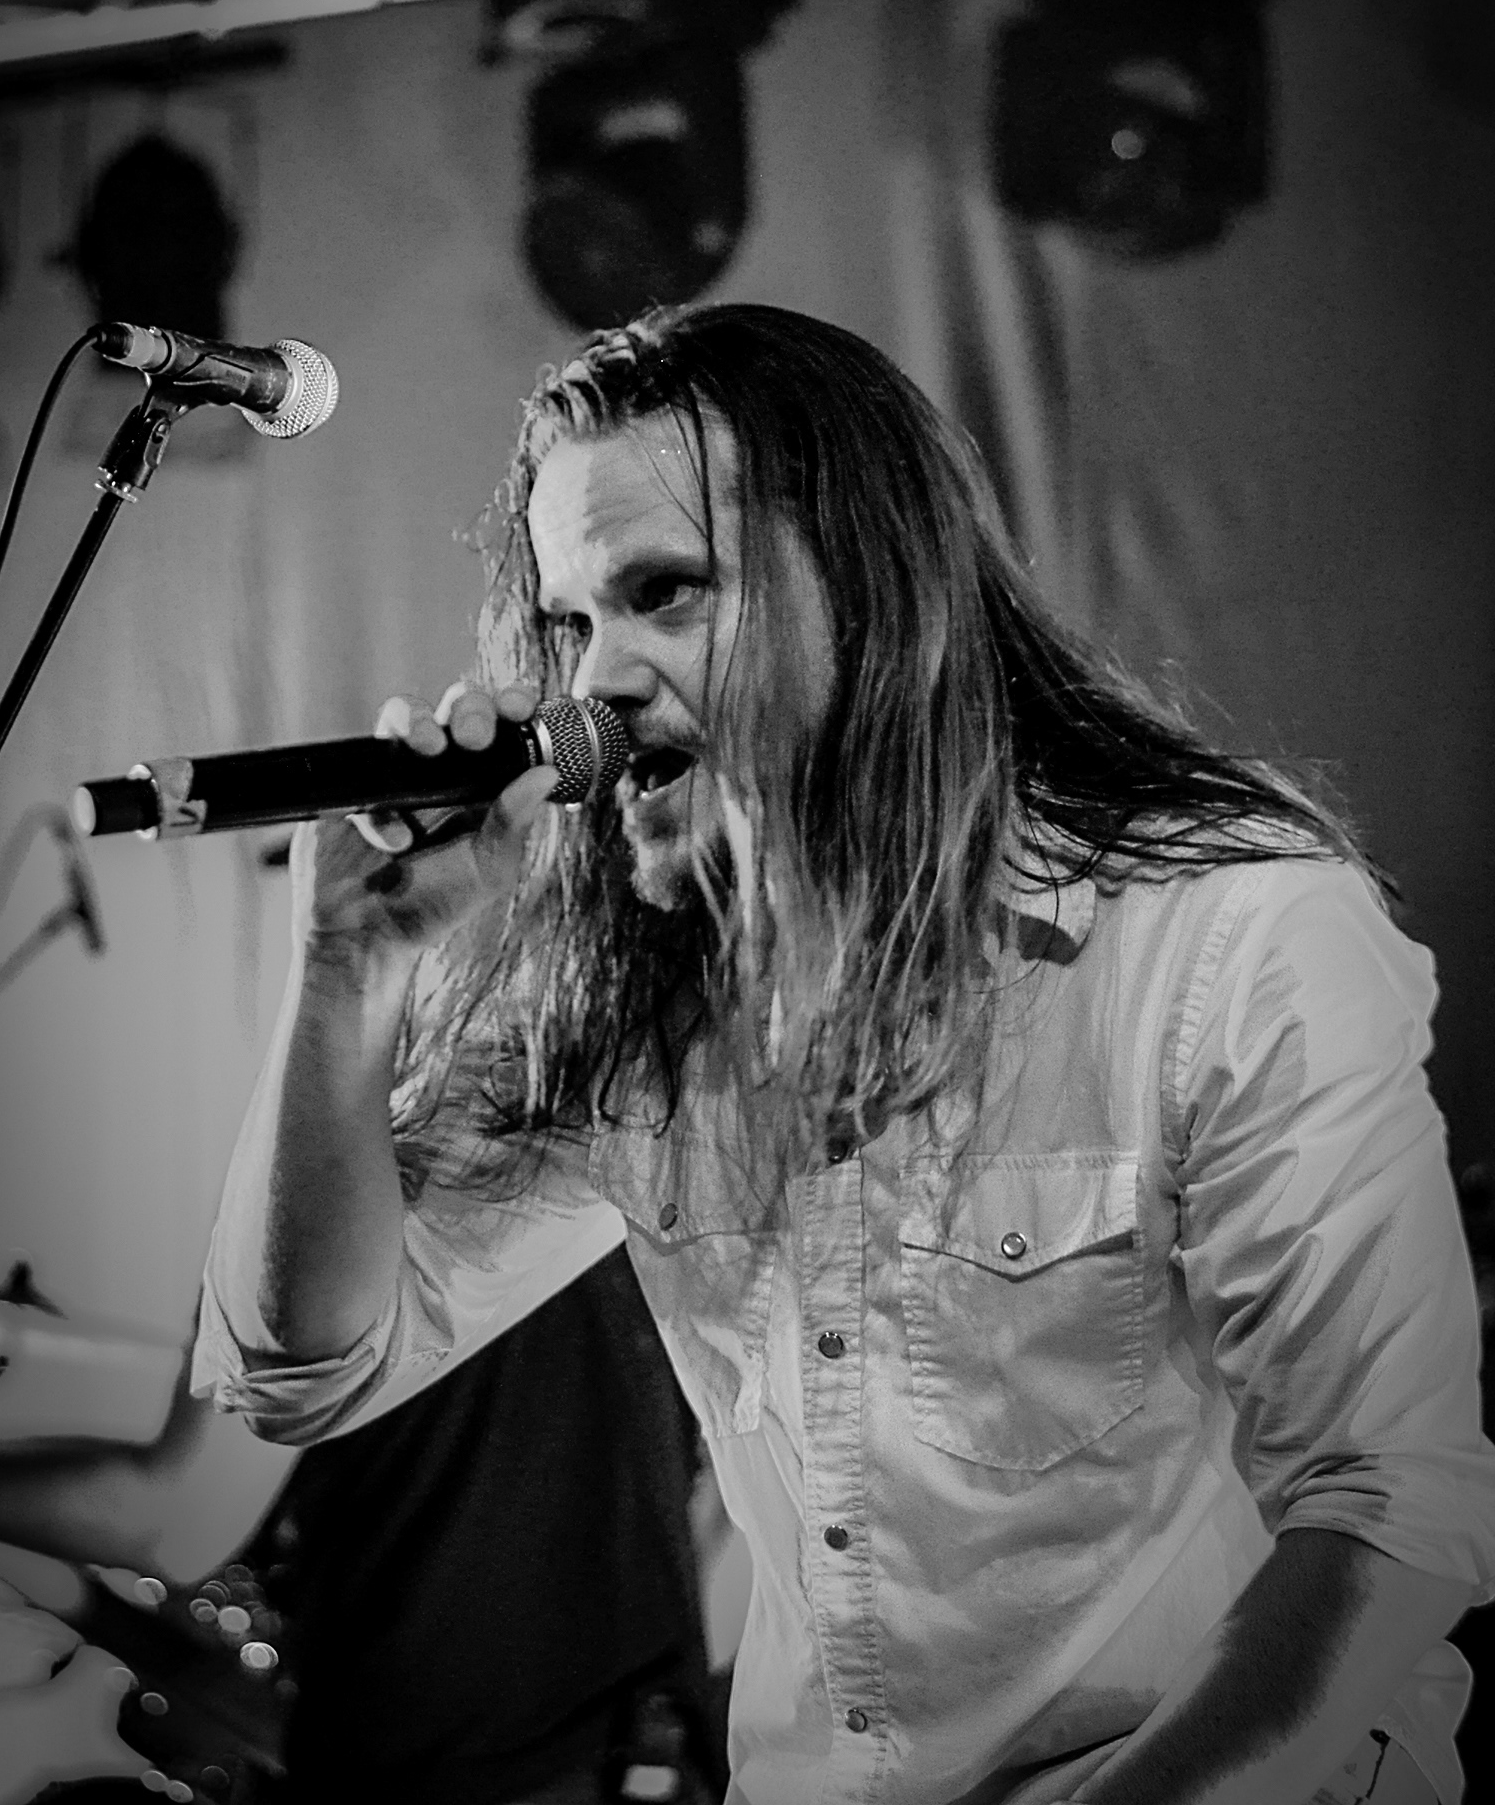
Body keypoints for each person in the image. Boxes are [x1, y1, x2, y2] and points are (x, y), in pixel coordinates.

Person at [194, 302, 1495, 1805]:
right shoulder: (645, 983)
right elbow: (308, 1367)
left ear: (869, 590)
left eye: (664, 593)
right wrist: (348, 973)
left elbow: (1386, 1514)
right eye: (569, 625)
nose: (597, 680)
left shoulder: (1227, 931)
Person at [0, 1254, 721, 1804]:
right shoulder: (637, 1176)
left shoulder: (329, 1193)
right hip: (657, 1753)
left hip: (455, 1770)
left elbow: (175, 1521)